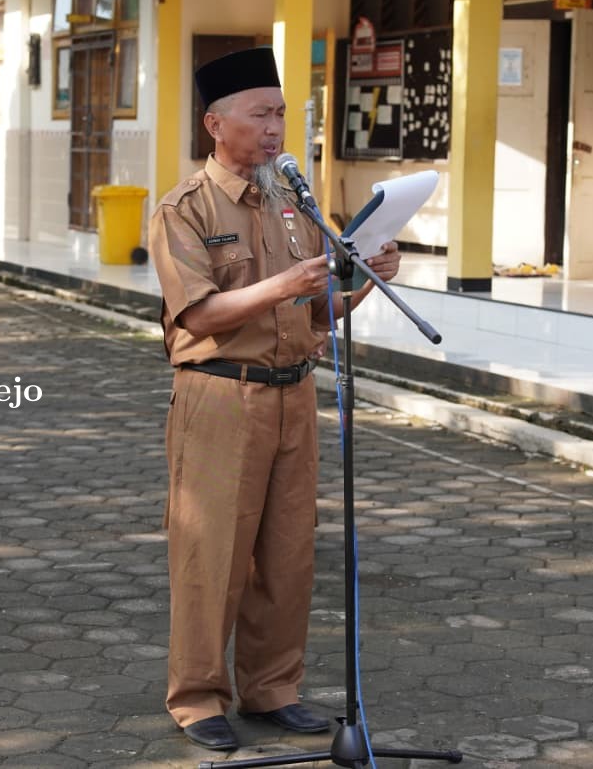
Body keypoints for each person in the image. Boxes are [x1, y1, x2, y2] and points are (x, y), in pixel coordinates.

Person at [148, 46, 400, 752]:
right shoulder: (184, 210)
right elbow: (199, 313)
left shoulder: (294, 205)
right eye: (260, 114)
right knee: (212, 553)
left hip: (294, 396)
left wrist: (366, 280)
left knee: (288, 555)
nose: (274, 128)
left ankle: (272, 688)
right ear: (215, 124)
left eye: (281, 114)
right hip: (220, 397)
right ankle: (198, 697)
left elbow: (318, 313)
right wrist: (284, 285)